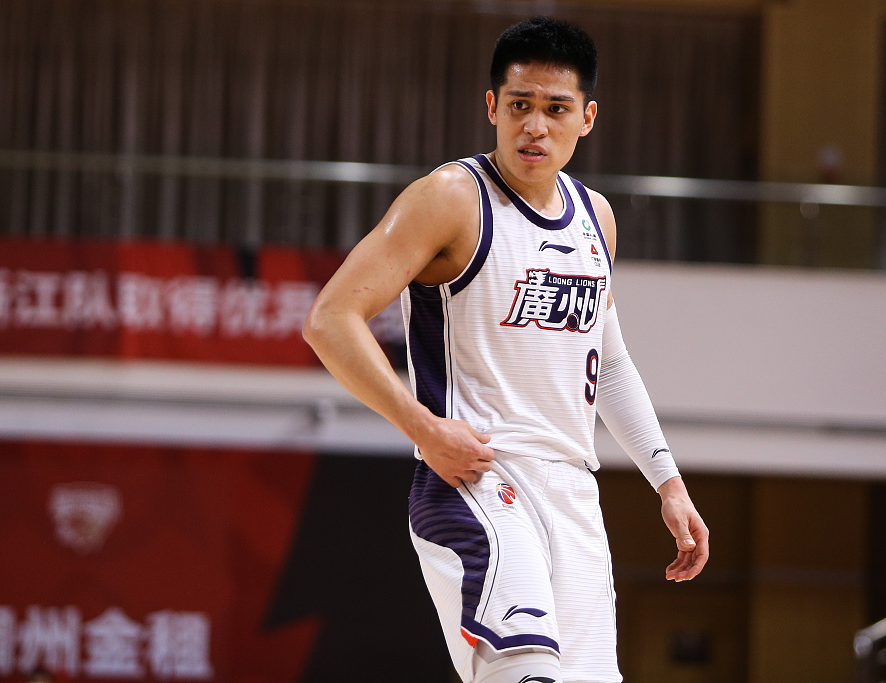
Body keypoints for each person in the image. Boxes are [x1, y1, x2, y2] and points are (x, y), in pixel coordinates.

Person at [304, 15, 709, 683]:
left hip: (573, 492)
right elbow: (330, 318)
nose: (535, 126)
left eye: (556, 109)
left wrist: (668, 483)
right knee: (525, 672)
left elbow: (608, 363)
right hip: (480, 480)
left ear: (587, 118)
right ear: (492, 106)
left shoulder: (596, 217)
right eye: (520, 105)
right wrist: (422, 427)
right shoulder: (451, 198)